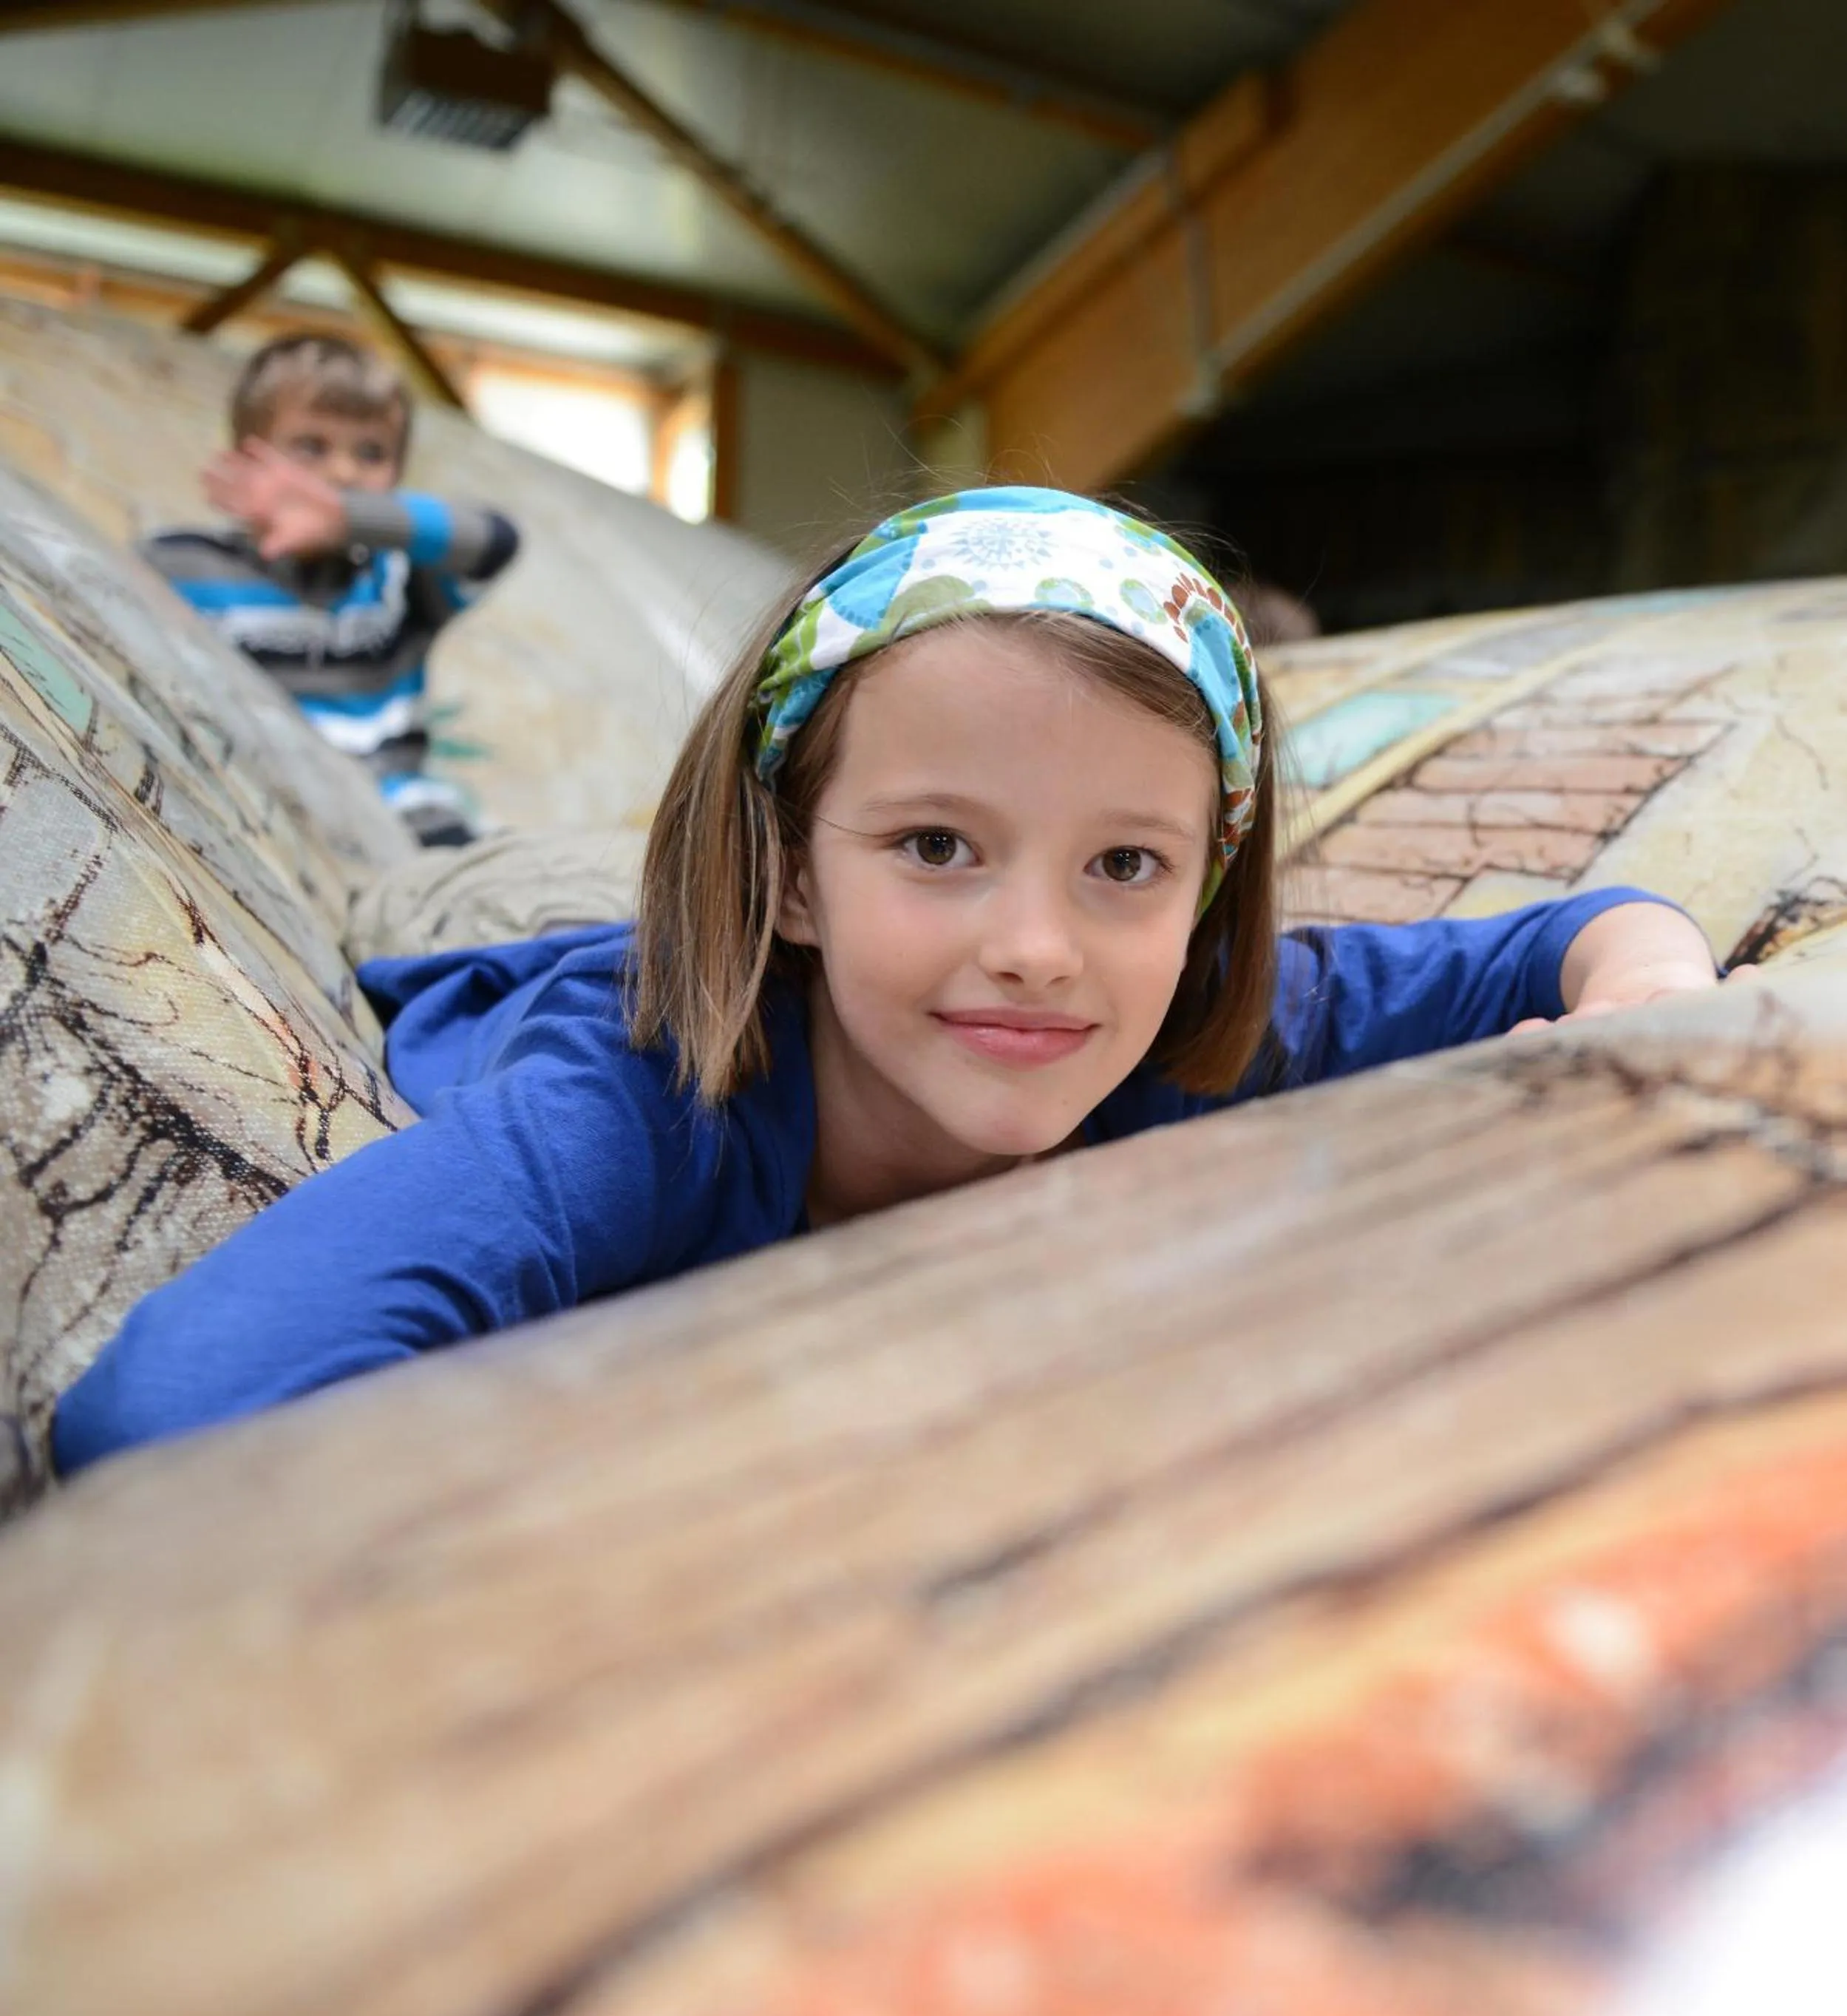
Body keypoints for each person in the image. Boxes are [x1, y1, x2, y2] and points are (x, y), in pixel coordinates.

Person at [55, 488, 1721, 1471]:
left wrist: (1650, 995)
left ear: (1206, 887)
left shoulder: (1196, 1017)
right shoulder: (637, 1113)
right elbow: (165, 1412)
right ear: (790, 866)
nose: (1037, 945)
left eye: (1124, 864)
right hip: (547, 952)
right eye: (939, 844)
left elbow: (1587, 928)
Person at [142, 331, 520, 847]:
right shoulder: (183, 564)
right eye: (310, 447)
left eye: (371, 453)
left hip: (409, 825)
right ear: (248, 458)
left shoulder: (401, 579)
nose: (343, 471)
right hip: (263, 822)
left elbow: (497, 541)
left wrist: (347, 517)